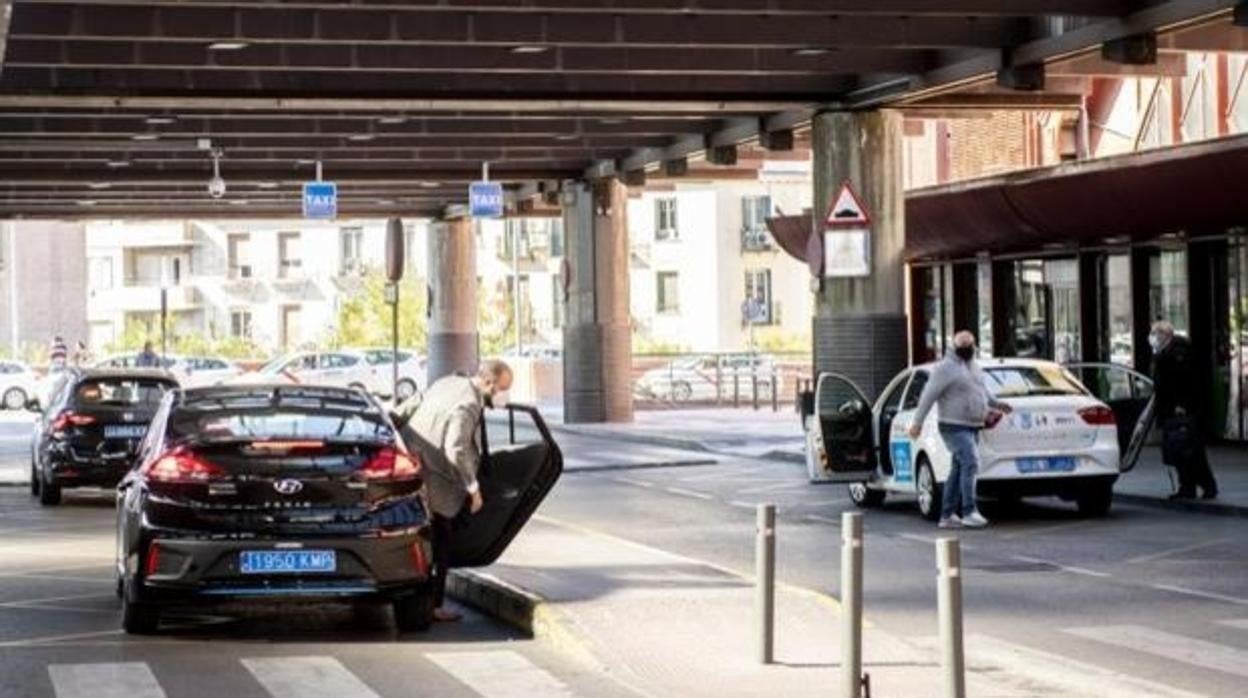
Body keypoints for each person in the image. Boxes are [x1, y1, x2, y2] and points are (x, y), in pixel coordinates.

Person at [392, 360, 513, 622]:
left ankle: (421, 599)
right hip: (438, 481)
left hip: (412, 468)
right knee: (441, 542)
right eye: (503, 388)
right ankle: (433, 605)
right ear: (488, 383)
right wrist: (474, 488)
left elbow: (407, 407)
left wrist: (389, 429)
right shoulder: (468, 404)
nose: (504, 395)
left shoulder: (447, 382)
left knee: (422, 539)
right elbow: (455, 449)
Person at [908, 331, 1013, 529]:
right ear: (954, 346)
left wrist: (997, 404)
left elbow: (981, 391)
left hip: (973, 424)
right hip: (952, 425)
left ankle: (947, 515)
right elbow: (928, 395)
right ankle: (969, 510)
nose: (967, 348)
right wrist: (917, 423)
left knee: (957, 470)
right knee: (971, 462)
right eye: (963, 345)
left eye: (969, 344)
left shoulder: (974, 366)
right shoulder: (945, 368)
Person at [1150, 321, 1218, 500]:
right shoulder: (1164, 351)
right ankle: (1188, 486)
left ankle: (1204, 485)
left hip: (1182, 410)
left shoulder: (1179, 351)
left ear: (1164, 334)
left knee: (1189, 450)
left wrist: (1181, 404)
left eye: (1155, 333)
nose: (1153, 337)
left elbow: (1184, 381)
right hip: (1170, 408)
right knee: (1180, 450)